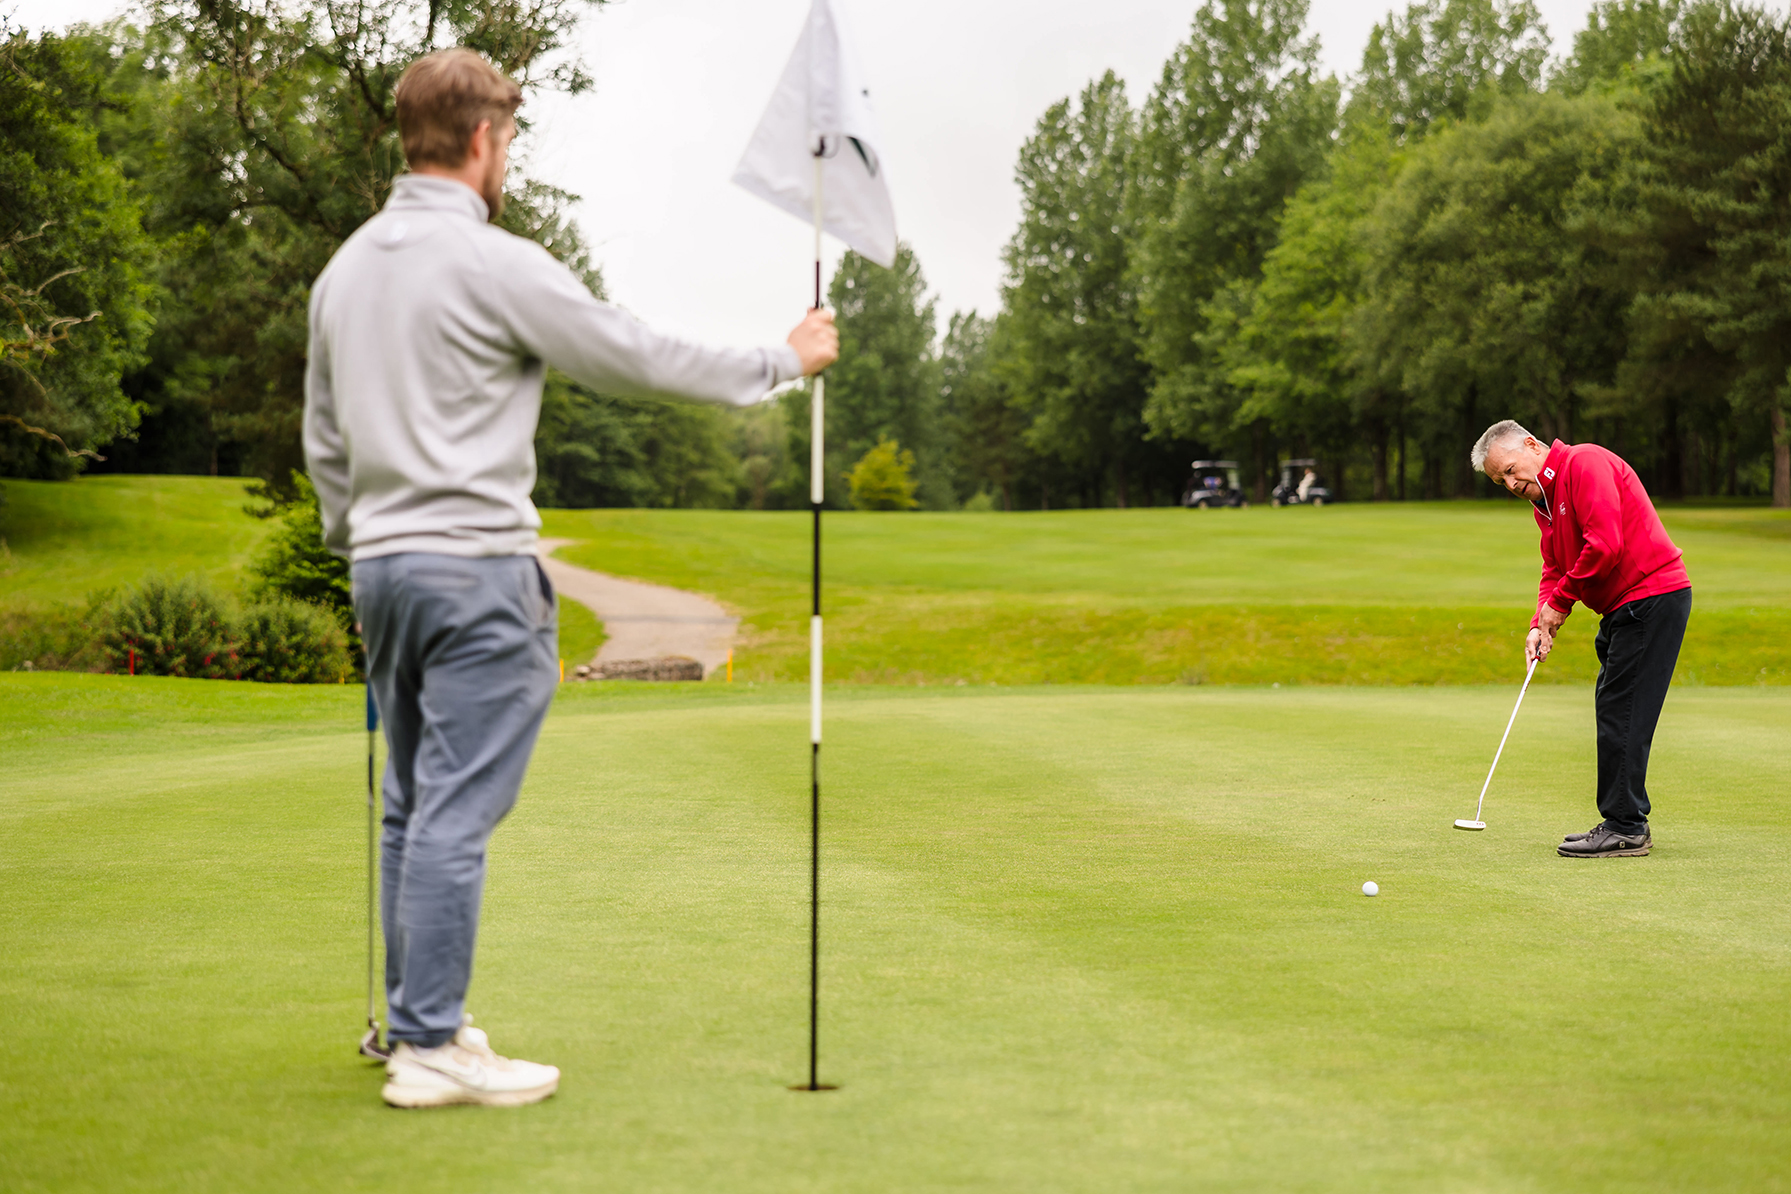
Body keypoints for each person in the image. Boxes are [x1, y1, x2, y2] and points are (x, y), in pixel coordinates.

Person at [303, 48, 838, 1109]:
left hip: (383, 569)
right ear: (483, 141)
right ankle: (427, 1049)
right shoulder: (495, 263)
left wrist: (360, 547)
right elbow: (631, 354)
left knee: (413, 805)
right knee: (453, 810)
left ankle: (423, 1018)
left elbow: (324, 440)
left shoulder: (345, 270)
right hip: (477, 573)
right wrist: (781, 360)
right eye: (509, 140)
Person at [1470, 420, 1691, 859]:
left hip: (1651, 596)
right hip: (1623, 609)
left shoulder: (1584, 462)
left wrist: (1561, 604)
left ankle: (1626, 826)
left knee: (1620, 711)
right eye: (1501, 481)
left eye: (1512, 470)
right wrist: (1540, 622)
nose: (1512, 483)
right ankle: (1623, 821)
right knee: (1615, 707)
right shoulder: (1544, 506)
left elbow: (1605, 544)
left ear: (1533, 445)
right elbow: (1554, 567)